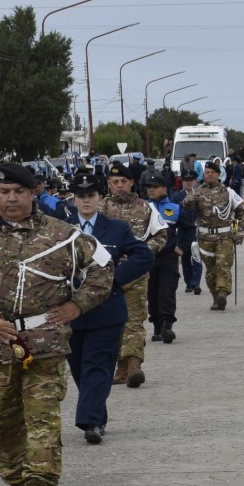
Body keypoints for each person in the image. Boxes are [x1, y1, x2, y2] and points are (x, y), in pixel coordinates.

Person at [0, 163, 113, 486]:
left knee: (42, 417)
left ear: (33, 193)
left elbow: (103, 269)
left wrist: (77, 305)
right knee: (3, 419)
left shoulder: (63, 234)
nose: (11, 199)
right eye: (4, 192)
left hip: (45, 344)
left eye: (19, 192)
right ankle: (16, 479)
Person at [64, 171, 154, 444]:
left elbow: (144, 256)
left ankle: (91, 422)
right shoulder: (60, 229)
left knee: (98, 366)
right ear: (74, 200)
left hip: (106, 311)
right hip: (71, 311)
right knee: (80, 370)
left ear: (100, 198)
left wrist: (113, 280)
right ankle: (97, 416)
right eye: (81, 196)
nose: (86, 200)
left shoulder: (116, 228)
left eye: (91, 195)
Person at [102, 160, 167, 387]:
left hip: (135, 273)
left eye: (123, 181)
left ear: (131, 183)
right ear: (109, 184)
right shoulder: (101, 209)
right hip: (106, 274)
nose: (119, 185)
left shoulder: (146, 207)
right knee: (113, 323)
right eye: (115, 182)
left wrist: (143, 253)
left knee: (135, 320)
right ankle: (121, 367)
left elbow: (161, 235)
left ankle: (133, 366)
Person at [181, 161, 244, 310]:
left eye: (212, 172)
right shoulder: (198, 192)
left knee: (223, 265)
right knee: (211, 271)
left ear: (218, 174)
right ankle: (216, 298)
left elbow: (241, 212)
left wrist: (240, 232)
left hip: (224, 236)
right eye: (207, 172)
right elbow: (185, 205)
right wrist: (191, 199)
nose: (209, 175)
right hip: (205, 238)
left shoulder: (228, 192)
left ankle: (223, 292)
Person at [143, 172, 184, 344]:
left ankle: (167, 325)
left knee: (167, 291)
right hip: (148, 257)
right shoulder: (142, 208)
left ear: (164, 189)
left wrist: (182, 247)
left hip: (168, 257)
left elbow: (188, 228)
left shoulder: (175, 208)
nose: (151, 190)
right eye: (149, 187)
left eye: (155, 187)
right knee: (152, 292)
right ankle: (157, 326)